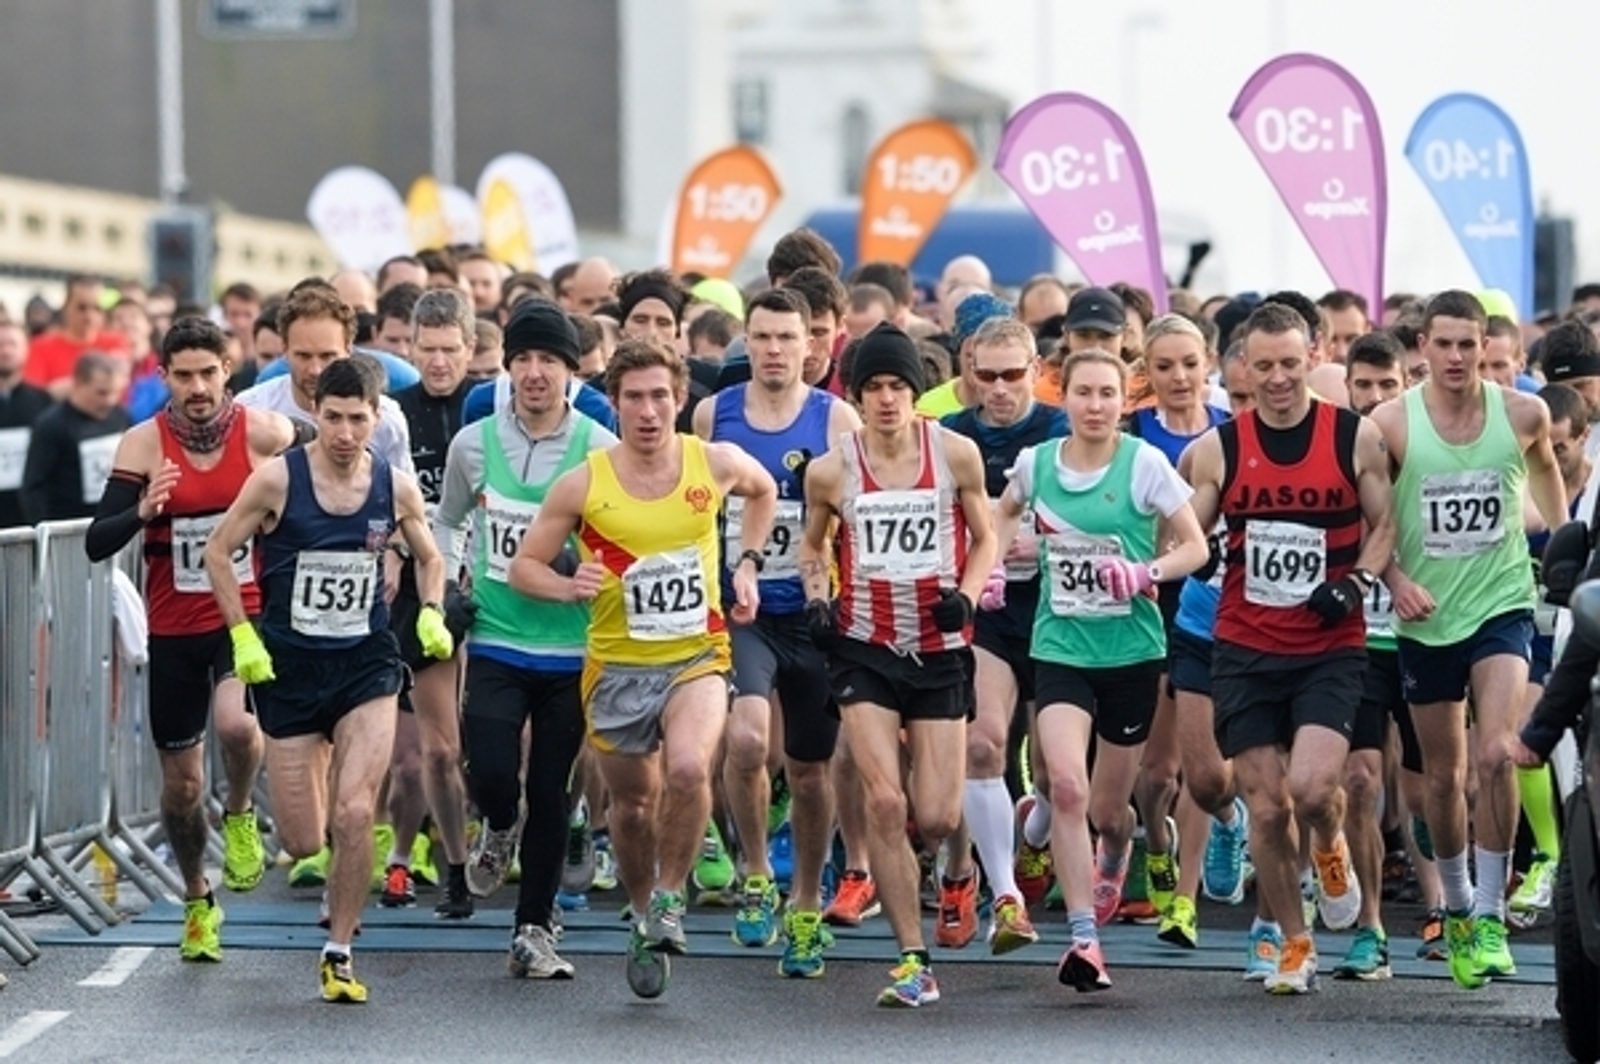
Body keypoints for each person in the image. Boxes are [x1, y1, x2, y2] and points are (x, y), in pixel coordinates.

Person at [509, 338, 777, 1000]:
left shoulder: (711, 463)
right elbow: (523, 566)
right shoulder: (584, 482)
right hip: (618, 667)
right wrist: (566, 587)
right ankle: (639, 911)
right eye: (634, 397)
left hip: (697, 655)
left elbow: (764, 490)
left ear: (679, 399)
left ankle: (667, 898)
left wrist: (746, 563)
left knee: (689, 767)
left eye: (661, 396)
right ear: (616, 402)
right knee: (631, 808)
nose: (649, 410)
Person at [202, 357, 453, 1004]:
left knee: (351, 811)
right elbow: (216, 552)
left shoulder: (394, 487)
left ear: (376, 419)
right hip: (288, 668)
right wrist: (242, 634)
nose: (344, 432)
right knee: (304, 837)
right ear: (316, 415)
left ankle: (338, 951)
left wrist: (430, 611)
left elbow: (429, 556)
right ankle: (333, 858)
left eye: (357, 419)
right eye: (333, 418)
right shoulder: (276, 481)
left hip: (364, 662)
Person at [1185, 301, 1395, 995]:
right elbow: (1186, 537)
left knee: (1312, 792)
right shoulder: (1220, 447)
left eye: (1290, 363)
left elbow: (1385, 526)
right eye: (1263, 365)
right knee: (1266, 808)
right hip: (1245, 645)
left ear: (1312, 356)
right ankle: (1295, 943)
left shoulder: (1352, 438)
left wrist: (1358, 581)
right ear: (1245, 365)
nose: (1277, 379)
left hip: (1329, 645)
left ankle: (1331, 850)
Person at [798, 323, 998, 1008]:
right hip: (865, 647)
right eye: (874, 387)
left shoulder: (956, 454)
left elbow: (988, 534)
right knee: (885, 800)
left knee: (937, 815)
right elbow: (812, 544)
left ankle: (956, 865)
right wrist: (819, 597)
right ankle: (913, 960)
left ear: (916, 391)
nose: (887, 398)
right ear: (857, 393)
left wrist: (965, 598)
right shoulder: (831, 470)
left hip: (938, 648)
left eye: (898, 386)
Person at [994, 345, 1206, 991]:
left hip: (1132, 655)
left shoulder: (1145, 464)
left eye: (1106, 395)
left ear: (1125, 400)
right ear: (1066, 398)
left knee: (1110, 812)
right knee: (1067, 787)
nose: (1094, 405)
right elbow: (997, 517)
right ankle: (1084, 941)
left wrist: (1147, 572)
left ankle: (1114, 850)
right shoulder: (1036, 466)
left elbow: (1196, 545)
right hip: (1060, 648)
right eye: (1082, 393)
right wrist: (995, 568)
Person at [1373, 289, 1568, 990]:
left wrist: (1564, 537)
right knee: (1443, 777)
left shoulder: (1523, 413)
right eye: (1444, 343)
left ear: (1486, 345)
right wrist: (1394, 579)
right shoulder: (1390, 425)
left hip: (1501, 605)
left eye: (1469, 344)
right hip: (1426, 619)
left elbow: (1547, 469)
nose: (1457, 357)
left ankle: (1489, 913)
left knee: (1497, 754)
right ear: (1421, 346)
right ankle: (1454, 903)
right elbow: (1371, 523)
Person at [84, 317, 296, 961]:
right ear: (164, 378)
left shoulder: (266, 433)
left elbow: (320, 473)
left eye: (208, 373)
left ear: (227, 371)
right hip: (173, 627)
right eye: (184, 376)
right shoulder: (143, 445)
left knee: (237, 727)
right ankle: (198, 899)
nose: (198, 387)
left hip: (242, 616)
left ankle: (236, 812)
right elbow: (98, 541)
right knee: (179, 785)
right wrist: (143, 511)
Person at [432, 299, 617, 978]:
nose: (535, 373)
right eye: (524, 360)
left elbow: (620, 535)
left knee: (550, 787)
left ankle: (534, 928)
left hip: (570, 647)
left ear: (571, 372)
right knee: (491, 774)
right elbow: (447, 520)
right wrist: (451, 583)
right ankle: (496, 823)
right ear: (507, 367)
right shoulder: (473, 443)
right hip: (499, 637)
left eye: (550, 361)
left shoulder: (599, 450)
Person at [691, 288, 860, 975]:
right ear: (747, 342)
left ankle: (803, 906)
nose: (773, 351)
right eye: (761, 338)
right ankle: (756, 871)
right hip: (744, 612)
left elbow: (854, 516)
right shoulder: (714, 414)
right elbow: (694, 509)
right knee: (748, 738)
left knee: (813, 768)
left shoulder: (834, 419)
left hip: (814, 613)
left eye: (787, 339)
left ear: (810, 347)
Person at [938, 317, 1066, 955]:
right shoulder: (950, 437)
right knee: (983, 747)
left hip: (1055, 609)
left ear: (1036, 369)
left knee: (1053, 774)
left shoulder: (1059, 429)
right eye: (984, 376)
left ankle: (1035, 834)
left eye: (1013, 375)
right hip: (985, 611)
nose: (998, 389)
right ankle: (1003, 895)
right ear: (967, 371)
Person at [379, 288, 479, 916]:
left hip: (491, 590)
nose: (438, 362)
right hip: (420, 594)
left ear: (471, 350)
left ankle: (501, 836)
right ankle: (440, 864)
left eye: (450, 350)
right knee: (430, 752)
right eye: (427, 350)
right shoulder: (393, 414)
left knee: (496, 745)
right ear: (410, 349)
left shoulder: (489, 411)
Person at [1506, 383, 1591, 927]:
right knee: (1524, 728)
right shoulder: (1523, 477)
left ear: (1584, 438)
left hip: (1570, 626)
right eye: (1543, 448)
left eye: (1561, 447)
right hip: (1535, 626)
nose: (1550, 457)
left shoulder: (1595, 491)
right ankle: (1550, 855)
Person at [235, 284, 414, 478]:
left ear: (348, 350)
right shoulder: (251, 411)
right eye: (303, 356)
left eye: (327, 356)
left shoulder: (384, 418)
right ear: (285, 350)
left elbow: (403, 499)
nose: (316, 370)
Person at [20, 353, 130, 523]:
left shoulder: (120, 417)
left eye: (116, 392)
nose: (110, 400)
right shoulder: (52, 425)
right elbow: (34, 487)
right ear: (78, 384)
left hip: (112, 523)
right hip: (68, 528)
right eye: (101, 393)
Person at [23, 275, 127, 398]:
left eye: (97, 308)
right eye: (81, 308)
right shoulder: (40, 347)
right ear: (66, 308)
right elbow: (35, 396)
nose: (89, 316)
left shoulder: (117, 342)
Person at [0, 322, 52, 528]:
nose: (5, 350)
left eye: (12, 344)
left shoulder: (43, 401)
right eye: (1, 344)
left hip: (29, 517)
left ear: (25, 350)